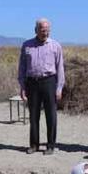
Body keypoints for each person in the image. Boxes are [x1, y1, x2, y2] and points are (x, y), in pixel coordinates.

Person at [17, 18, 65, 155]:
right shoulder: (27, 45)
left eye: (47, 30)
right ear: (36, 30)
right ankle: (34, 145)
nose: (45, 32)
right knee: (33, 116)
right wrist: (22, 86)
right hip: (32, 83)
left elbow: (60, 68)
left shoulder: (55, 46)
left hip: (49, 82)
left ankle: (50, 145)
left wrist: (59, 87)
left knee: (51, 116)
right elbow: (22, 67)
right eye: (42, 30)